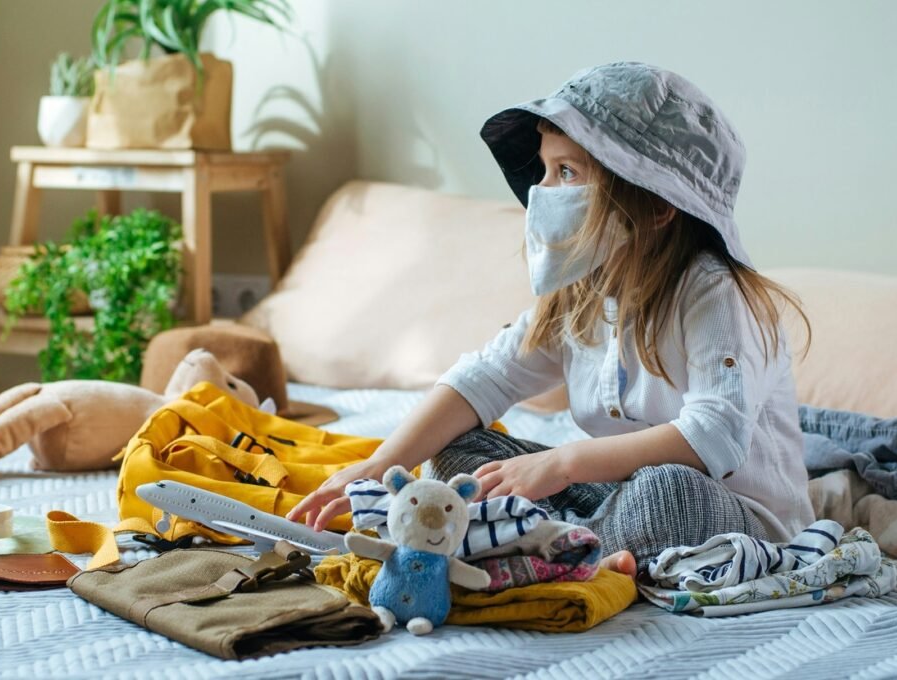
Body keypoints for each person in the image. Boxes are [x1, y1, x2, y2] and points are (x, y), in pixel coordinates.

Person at [288, 61, 815, 576]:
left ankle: (524, 543)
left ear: (657, 206)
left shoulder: (714, 292)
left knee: (665, 493)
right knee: (457, 454)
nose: (542, 190)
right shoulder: (579, 291)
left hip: (732, 513)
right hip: (610, 496)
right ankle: (564, 544)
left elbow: (713, 435)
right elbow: (484, 378)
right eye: (544, 169)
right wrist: (377, 468)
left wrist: (561, 463)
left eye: (566, 172)